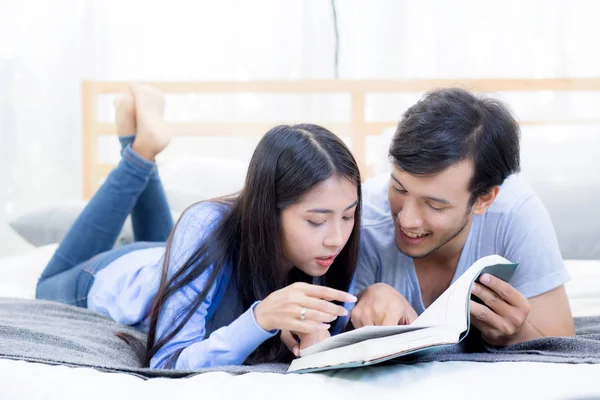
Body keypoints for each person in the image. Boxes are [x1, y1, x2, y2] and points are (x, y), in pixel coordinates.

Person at [35, 84, 360, 369]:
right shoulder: (204, 226)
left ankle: (135, 134)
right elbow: (168, 360)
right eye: (316, 220)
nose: (336, 239)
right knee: (46, 286)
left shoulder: (329, 251)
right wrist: (261, 319)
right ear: (268, 210)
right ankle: (138, 150)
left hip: (168, 262)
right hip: (118, 274)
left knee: (177, 256)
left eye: (348, 216)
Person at [350, 88, 575, 347]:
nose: (407, 219)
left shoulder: (515, 214)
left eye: (434, 205)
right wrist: (367, 297)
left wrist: (514, 334)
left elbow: (563, 342)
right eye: (399, 188)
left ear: (483, 199)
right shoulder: (360, 217)